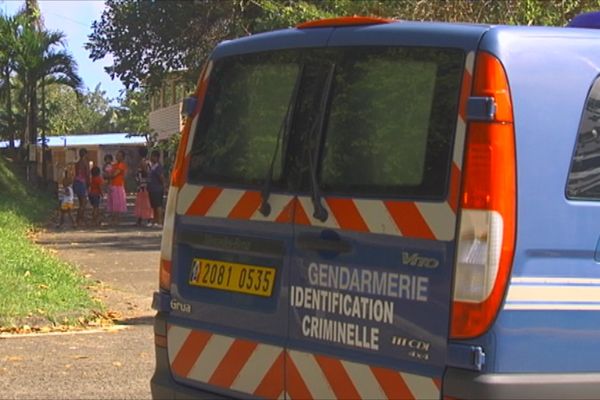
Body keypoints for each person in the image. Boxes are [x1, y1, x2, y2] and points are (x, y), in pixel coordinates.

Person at [134, 147, 153, 226]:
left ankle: (146, 219)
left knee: (143, 202)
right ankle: (142, 219)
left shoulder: (143, 162)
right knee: (145, 202)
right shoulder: (149, 162)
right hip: (145, 184)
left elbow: (146, 172)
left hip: (143, 185)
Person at [110, 150, 128, 225]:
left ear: (123, 157)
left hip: (118, 185)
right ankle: (114, 218)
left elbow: (114, 174)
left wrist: (108, 176)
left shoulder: (122, 165)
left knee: (117, 202)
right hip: (113, 184)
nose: (117, 156)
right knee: (113, 202)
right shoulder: (114, 165)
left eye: (119, 155)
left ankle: (116, 219)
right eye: (117, 155)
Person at [148, 150, 165, 227]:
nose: (151, 158)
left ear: (156, 157)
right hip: (152, 188)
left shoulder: (158, 167)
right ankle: (155, 220)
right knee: (154, 205)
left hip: (157, 189)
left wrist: (164, 185)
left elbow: (161, 177)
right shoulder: (152, 166)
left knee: (158, 205)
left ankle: (160, 221)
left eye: (153, 156)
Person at [73, 148, 90, 225]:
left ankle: (81, 219)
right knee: (84, 202)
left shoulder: (77, 163)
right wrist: (88, 184)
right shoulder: (85, 163)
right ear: (85, 154)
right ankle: (78, 220)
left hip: (76, 182)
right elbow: (87, 174)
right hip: (82, 182)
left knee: (81, 202)